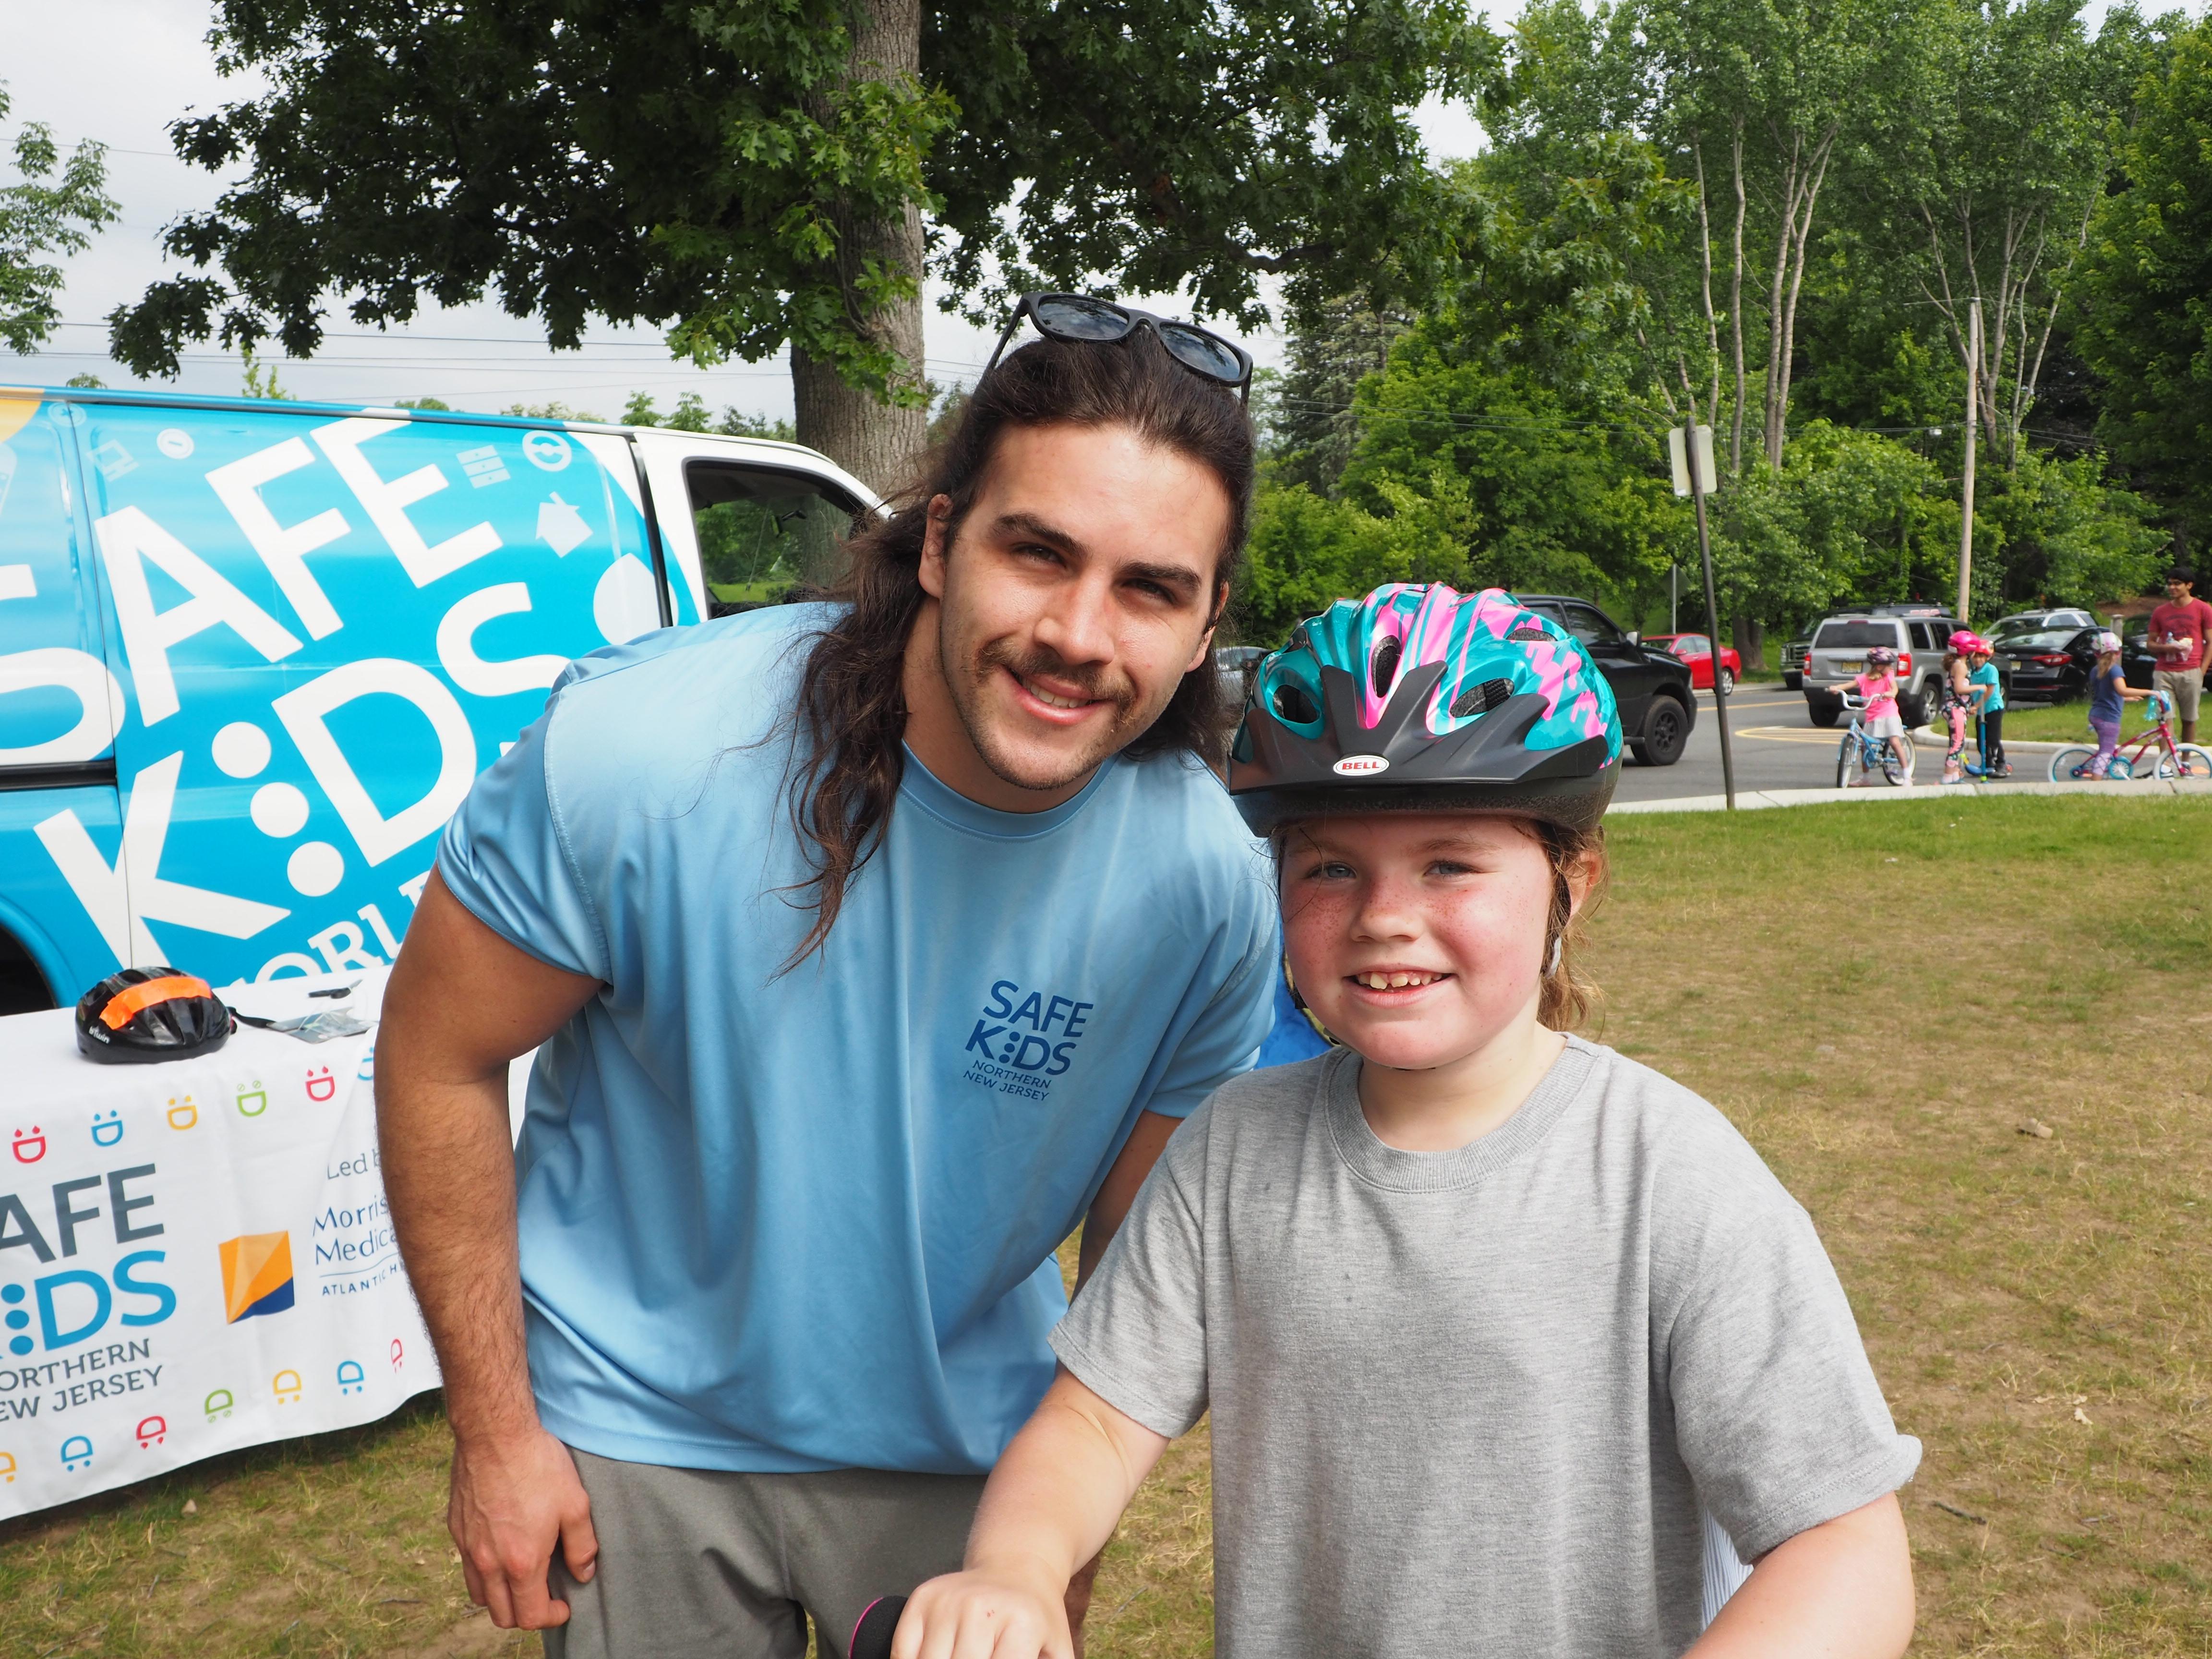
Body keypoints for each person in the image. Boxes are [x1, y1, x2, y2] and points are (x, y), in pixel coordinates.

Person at [375, 302, 1284, 1657]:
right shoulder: (644, 752)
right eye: (1038, 554)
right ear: (938, 542)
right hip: (635, 1434)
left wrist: (1056, 1533)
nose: (1079, 634)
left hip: (965, 1455)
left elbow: (1138, 1259)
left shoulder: (1208, 881)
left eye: (1150, 588)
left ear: (1208, 623)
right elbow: (436, 1053)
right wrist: (499, 1435)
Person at [888, 584, 1921, 1659]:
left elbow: (1840, 1542)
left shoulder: (1670, 1175)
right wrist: (1013, 1571)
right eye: (1331, 867)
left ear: (1575, 880)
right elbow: (1095, 1423)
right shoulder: (1230, 1154)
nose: (1384, 918)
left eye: (1450, 864)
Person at [2146, 567, 2212, 743]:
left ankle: (2185, 761)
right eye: (2170, 584)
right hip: (2164, 672)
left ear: (2189, 585)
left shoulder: (2203, 609)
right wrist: (2167, 649)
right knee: (2165, 718)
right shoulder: (2160, 612)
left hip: (2191, 670)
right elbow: (2150, 643)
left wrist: (2201, 671)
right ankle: (2166, 764)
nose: (2172, 588)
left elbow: (2210, 641)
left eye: (2177, 584)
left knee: (2189, 719)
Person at [2075, 630, 2153, 778]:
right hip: (2108, 718)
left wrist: (2126, 700)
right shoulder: (2115, 670)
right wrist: (2150, 692)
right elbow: (2122, 690)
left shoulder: (2095, 670)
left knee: (2104, 749)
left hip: (2096, 714)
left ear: (2097, 653)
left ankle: (2098, 772)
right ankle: (2096, 783)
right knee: (2106, 752)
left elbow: (2106, 694)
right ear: (2119, 652)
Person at [1852, 645, 1914, 780]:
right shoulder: (1863, 678)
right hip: (1872, 716)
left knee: (1894, 741)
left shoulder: (1888, 676)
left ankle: (1907, 775)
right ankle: (1865, 778)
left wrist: (1890, 694)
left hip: (1888, 713)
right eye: (1889, 665)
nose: (1891, 667)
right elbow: (1848, 686)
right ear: (1879, 667)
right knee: (1865, 746)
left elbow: (1894, 689)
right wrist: (1836, 688)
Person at [1940, 631, 1982, 785]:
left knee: (1958, 742)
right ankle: (1947, 776)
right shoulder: (1961, 666)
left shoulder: (1958, 664)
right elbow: (1959, 689)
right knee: (1957, 743)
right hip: (1955, 708)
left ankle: (1955, 775)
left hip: (1957, 708)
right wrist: (1979, 687)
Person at [1967, 638, 2009, 777]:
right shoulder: (1973, 672)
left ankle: (2001, 764)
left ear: (1987, 657)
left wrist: (1977, 705)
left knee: (1993, 738)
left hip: (1993, 708)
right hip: (1981, 710)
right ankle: (1987, 762)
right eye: (1976, 656)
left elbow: (1989, 691)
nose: (1978, 660)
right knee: (1981, 739)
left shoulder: (1991, 670)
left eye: (1981, 657)